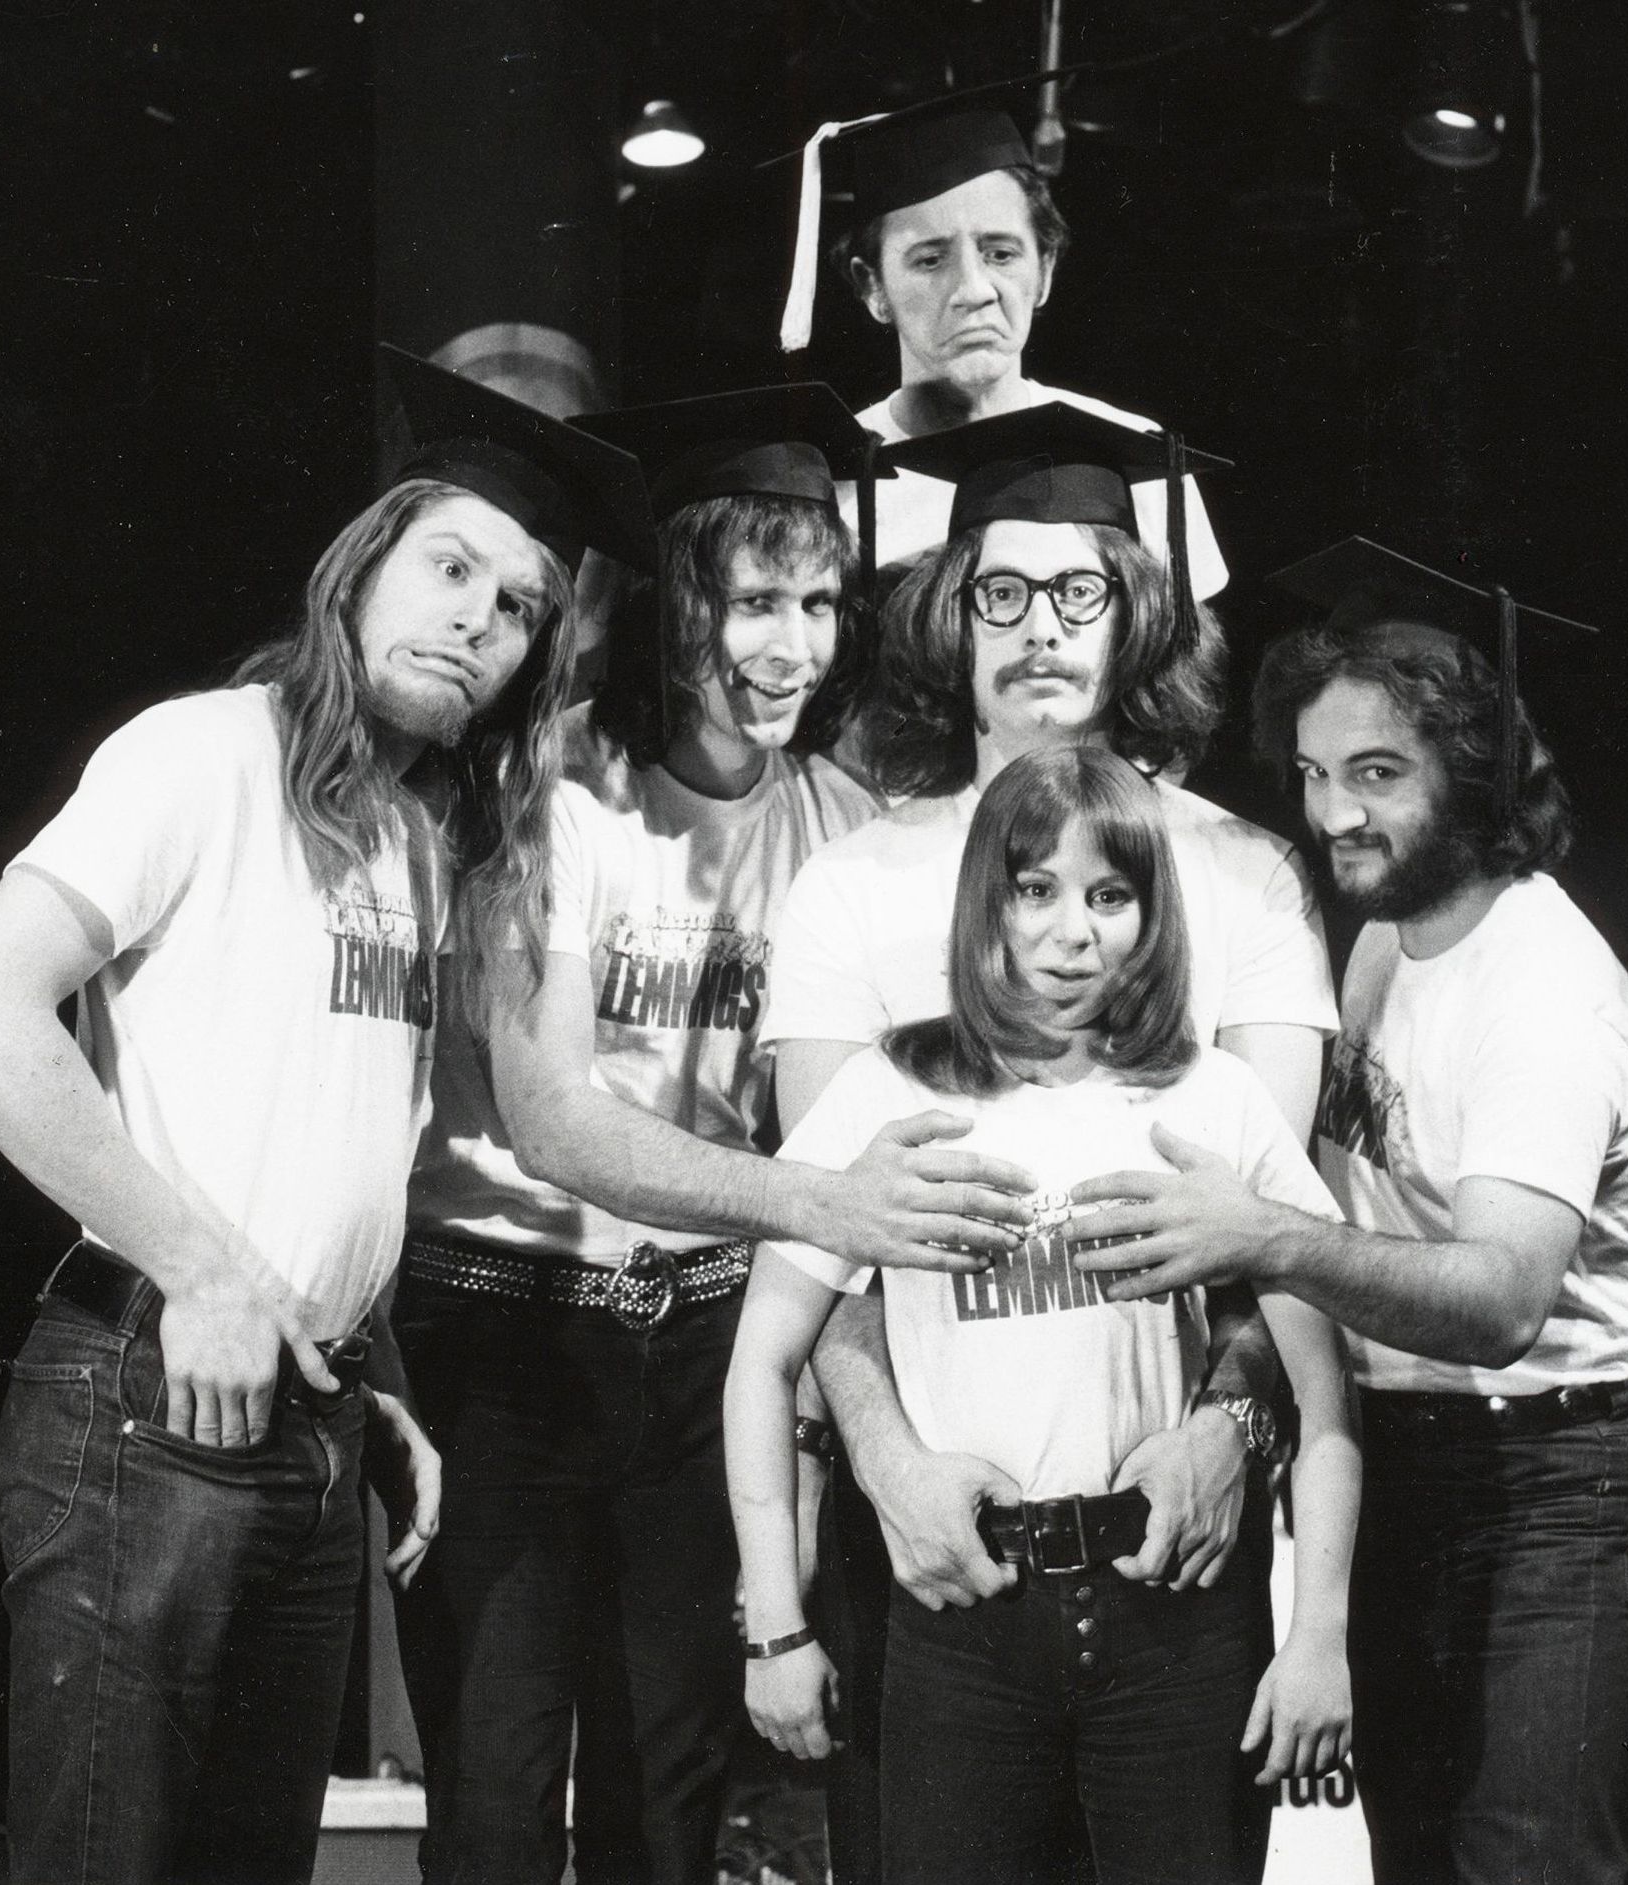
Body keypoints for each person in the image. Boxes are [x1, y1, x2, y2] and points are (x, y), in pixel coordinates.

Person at [0, 346, 653, 1884]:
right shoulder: (205, 754)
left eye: (522, 605)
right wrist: (201, 1269)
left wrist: (369, 1379)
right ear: (361, 568)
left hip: (309, 1415)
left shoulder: (419, 840)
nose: (481, 618)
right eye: (451, 566)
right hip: (146, 1400)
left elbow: (327, 1140)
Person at [389, 382, 1049, 1885]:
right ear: (679, 602)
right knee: (495, 1805)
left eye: (818, 605)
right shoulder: (551, 784)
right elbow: (555, 1121)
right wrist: (819, 1202)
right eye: (756, 602)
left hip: (701, 1340)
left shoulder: (836, 817)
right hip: (507, 1323)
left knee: (667, 1804)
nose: (792, 646)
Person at [764, 404, 1332, 1884]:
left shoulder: (1248, 875)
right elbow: (829, 1241)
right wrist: (888, 1462)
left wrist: (1227, 1431)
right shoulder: (851, 881)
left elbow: (1272, 1242)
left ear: (1135, 611)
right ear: (949, 621)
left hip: (1174, 1527)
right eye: (999, 592)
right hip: (929, 1540)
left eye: (1078, 589)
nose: (1038, 627)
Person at [1066, 542, 1628, 1885]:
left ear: (1479, 769)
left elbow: (1502, 1299)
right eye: (1311, 773)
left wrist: (1263, 1235)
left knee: (1528, 1865)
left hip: (1555, 1486)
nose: (1333, 814)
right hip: (1404, 1461)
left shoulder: (1541, 991)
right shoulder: (1387, 933)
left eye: (1377, 774)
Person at [778, 103, 1228, 594]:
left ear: (1045, 271)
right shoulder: (822, 485)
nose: (974, 290)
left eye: (1001, 254)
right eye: (930, 260)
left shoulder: (1137, 458)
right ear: (873, 288)